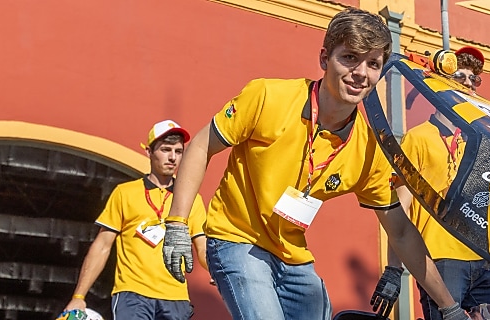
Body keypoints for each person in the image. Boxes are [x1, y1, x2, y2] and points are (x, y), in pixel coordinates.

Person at [158, 7, 469, 320]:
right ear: (324, 59)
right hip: (237, 239)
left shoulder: (368, 150)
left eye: (373, 64)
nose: (361, 73)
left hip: (293, 256)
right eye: (350, 58)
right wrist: (177, 224)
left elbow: (400, 232)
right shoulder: (268, 96)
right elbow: (201, 145)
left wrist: (450, 308)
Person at [371, 46, 490, 320]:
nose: (469, 84)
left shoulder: (480, 142)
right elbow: (400, 207)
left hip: (483, 260)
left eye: (474, 79)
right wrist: (393, 269)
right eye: (460, 76)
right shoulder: (418, 138)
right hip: (440, 260)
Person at [64, 120, 207, 320]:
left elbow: (203, 247)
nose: (172, 157)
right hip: (132, 295)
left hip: (176, 298)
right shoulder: (125, 193)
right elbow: (102, 246)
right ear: (149, 152)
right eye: (165, 150)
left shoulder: (191, 199)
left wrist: (218, 271)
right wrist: (79, 296)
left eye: (178, 151)